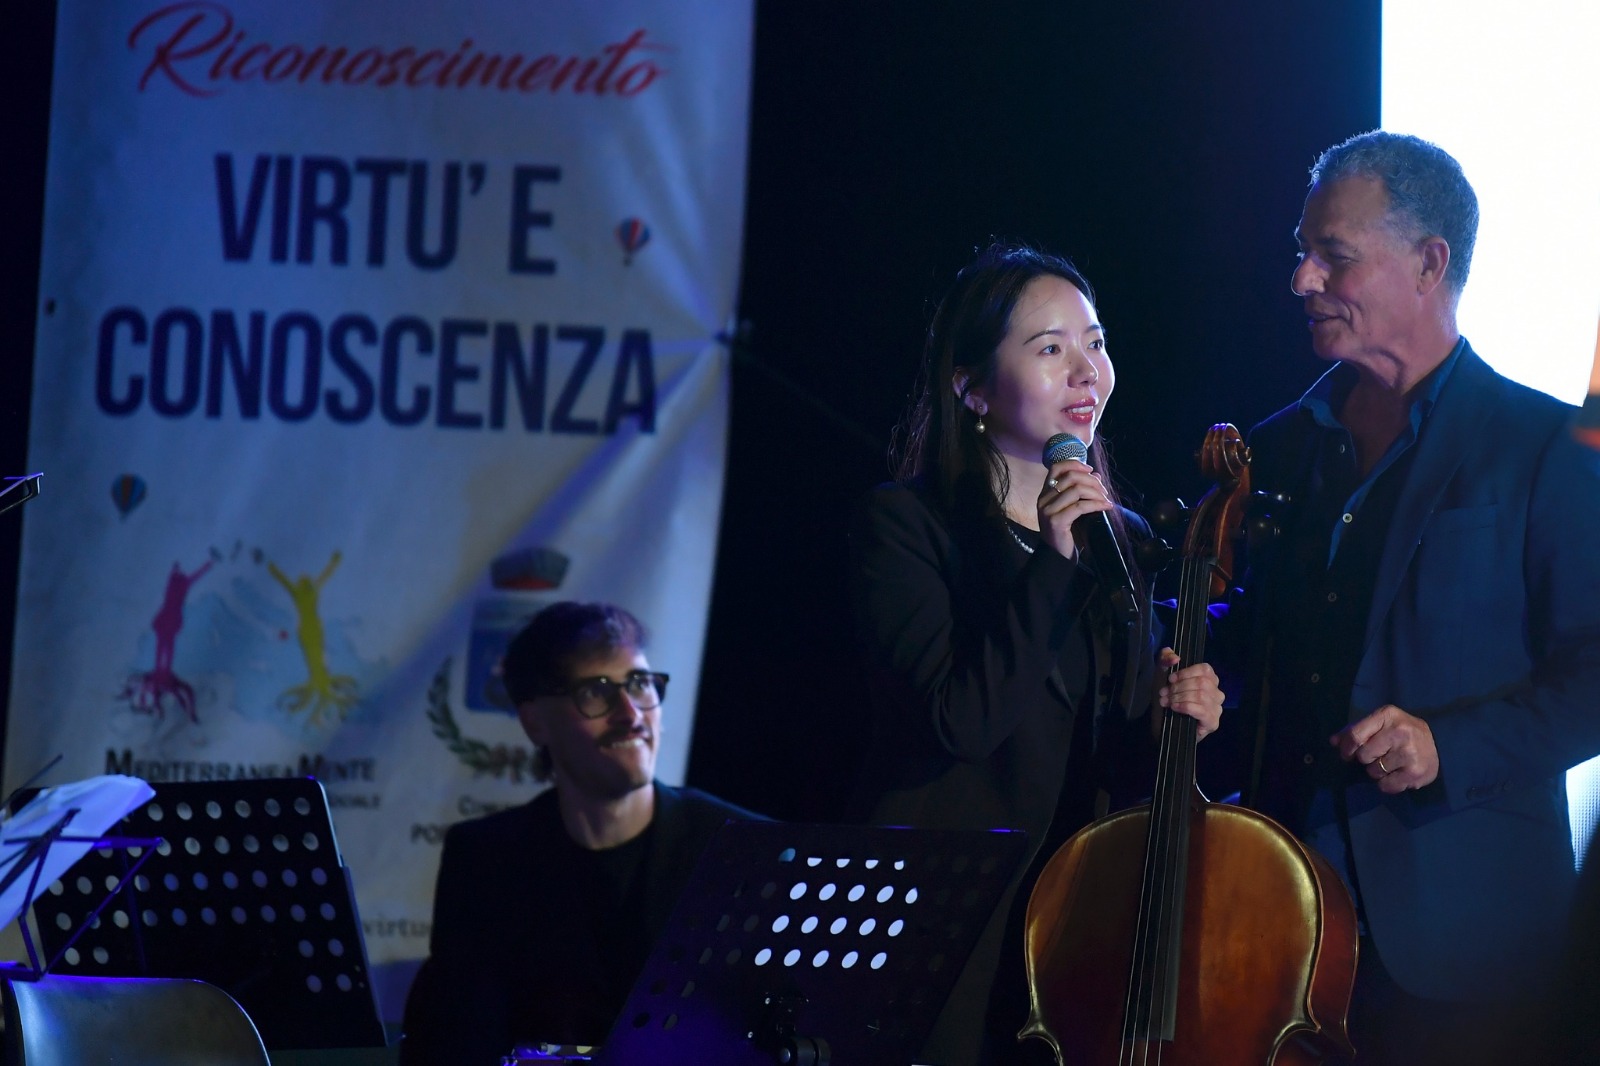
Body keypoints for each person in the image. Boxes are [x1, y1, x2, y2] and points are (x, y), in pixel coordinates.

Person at [1225, 130, 1600, 1064]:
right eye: (1301, 252)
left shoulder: (1543, 447)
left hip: (1467, 956)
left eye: (1334, 256)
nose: (1302, 280)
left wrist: (1448, 746)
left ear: (1430, 263)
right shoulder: (1275, 451)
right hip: (1275, 927)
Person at [848, 242, 1224, 1066]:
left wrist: (1176, 723)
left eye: (1095, 342)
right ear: (972, 388)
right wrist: (1053, 561)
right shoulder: (906, 527)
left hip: (1073, 922)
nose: (1087, 371)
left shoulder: (1123, 540)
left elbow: (1116, 759)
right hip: (945, 925)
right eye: (1051, 348)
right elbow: (961, 722)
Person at [400, 601, 762, 1066]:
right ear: (535, 722)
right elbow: (453, 1043)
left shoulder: (741, 847)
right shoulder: (485, 860)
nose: (631, 714)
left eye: (640, 684)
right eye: (596, 691)